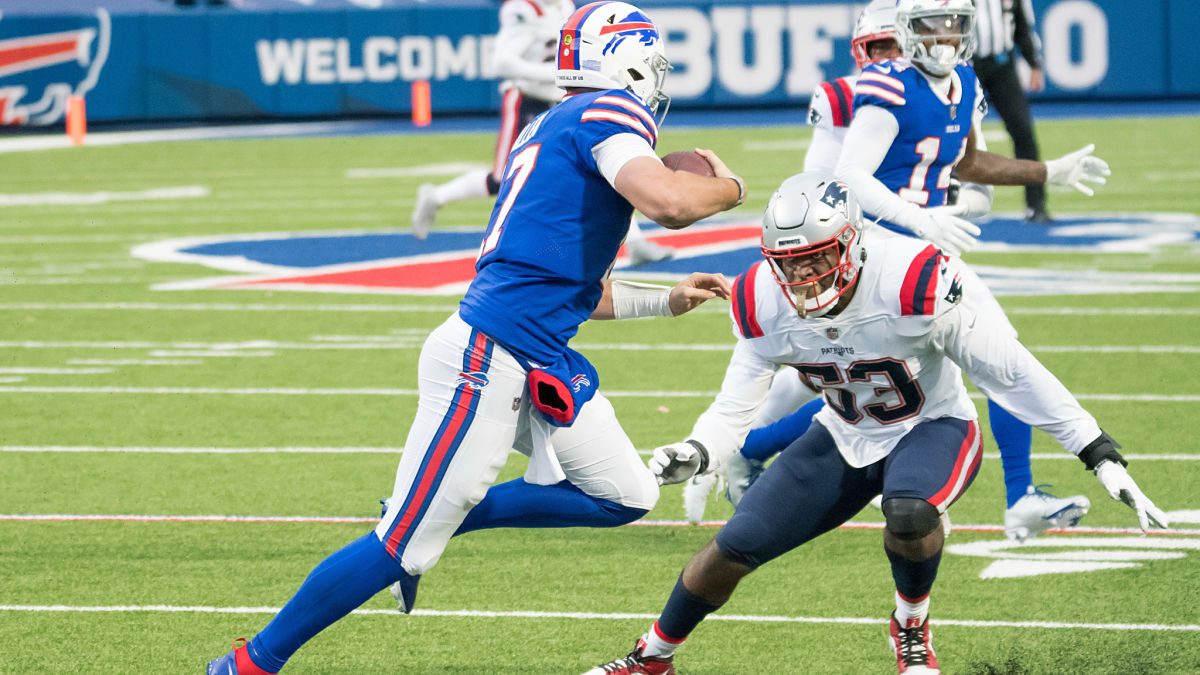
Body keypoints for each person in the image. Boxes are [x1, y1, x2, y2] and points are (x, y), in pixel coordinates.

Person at [206, 3, 746, 672]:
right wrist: (729, 186)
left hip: (534, 352)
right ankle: (250, 662)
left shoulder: (549, 125)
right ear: (625, 59)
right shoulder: (609, 112)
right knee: (398, 546)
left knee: (625, 494)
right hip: (489, 357)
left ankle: (449, 509)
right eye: (653, 63)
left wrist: (665, 300)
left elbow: (576, 288)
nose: (657, 83)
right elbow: (671, 203)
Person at [584, 172, 1168, 675]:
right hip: (843, 433)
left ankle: (910, 625)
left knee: (910, 512)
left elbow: (1010, 372)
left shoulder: (913, 280)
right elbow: (736, 404)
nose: (806, 279)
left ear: (853, 243)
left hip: (933, 424)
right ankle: (651, 656)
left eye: (817, 257)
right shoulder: (763, 298)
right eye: (791, 264)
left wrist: (1097, 451)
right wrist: (700, 449)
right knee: (735, 545)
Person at [682, 0, 1097, 543]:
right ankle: (731, 451)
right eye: (876, 48)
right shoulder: (852, 97)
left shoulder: (952, 83)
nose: (888, 57)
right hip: (865, 254)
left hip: (923, 252)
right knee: (831, 379)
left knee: (947, 367)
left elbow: (965, 165)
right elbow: (825, 181)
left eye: (892, 47)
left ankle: (1018, 495)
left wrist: (1016, 183)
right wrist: (910, 216)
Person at [410, 0, 674, 265]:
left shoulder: (565, 6)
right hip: (526, 98)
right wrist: (554, 74)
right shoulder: (523, 9)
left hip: (561, 99)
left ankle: (636, 243)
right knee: (503, 179)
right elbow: (502, 63)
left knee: (597, 167)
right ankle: (436, 196)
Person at [973, 0, 1051, 223]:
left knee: (1023, 131)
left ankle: (1036, 205)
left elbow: (1022, 23)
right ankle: (948, 200)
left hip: (1002, 66)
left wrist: (1033, 61)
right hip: (965, 66)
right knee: (953, 132)